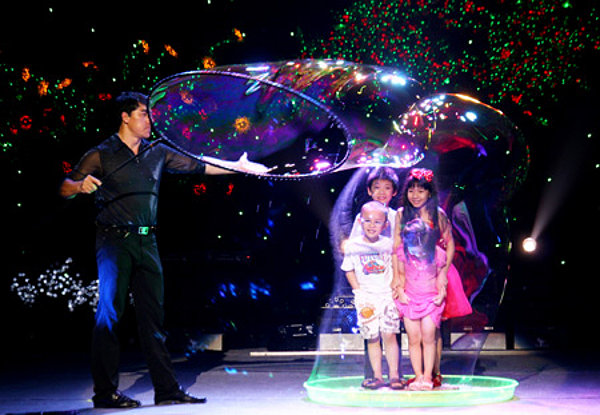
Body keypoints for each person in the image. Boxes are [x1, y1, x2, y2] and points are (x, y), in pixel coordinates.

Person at [59, 91, 265, 408]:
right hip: (114, 241)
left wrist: (238, 166)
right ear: (125, 117)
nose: (150, 120)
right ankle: (105, 392)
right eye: (143, 114)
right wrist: (79, 186)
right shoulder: (101, 153)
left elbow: (200, 166)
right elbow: (65, 188)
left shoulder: (156, 151)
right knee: (109, 315)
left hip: (148, 242)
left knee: (153, 319)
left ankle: (166, 390)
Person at [392, 168, 454, 391]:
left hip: (434, 269)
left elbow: (450, 244)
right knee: (415, 335)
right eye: (411, 190)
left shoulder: (437, 214)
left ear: (429, 192)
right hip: (409, 271)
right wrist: (397, 279)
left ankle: (432, 374)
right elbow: (396, 248)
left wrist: (443, 274)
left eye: (421, 190)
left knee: (432, 332)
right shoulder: (401, 214)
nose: (415, 195)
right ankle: (420, 375)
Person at [345, 167, 405, 388]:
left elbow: (398, 250)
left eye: (387, 188)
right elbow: (353, 253)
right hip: (367, 284)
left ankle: (395, 374)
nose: (381, 192)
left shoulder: (395, 216)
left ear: (394, 192)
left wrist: (398, 280)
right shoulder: (362, 217)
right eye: (377, 187)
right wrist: (358, 290)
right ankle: (374, 374)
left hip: (389, 283)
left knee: (391, 332)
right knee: (371, 334)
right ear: (369, 190)